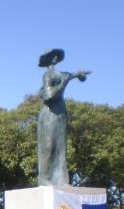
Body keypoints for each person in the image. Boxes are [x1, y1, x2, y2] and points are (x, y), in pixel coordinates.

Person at [37, 48, 91, 186]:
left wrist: (80, 75)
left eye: (56, 55)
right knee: (48, 146)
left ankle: (60, 179)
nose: (55, 57)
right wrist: (64, 83)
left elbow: (76, 76)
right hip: (49, 114)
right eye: (52, 55)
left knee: (61, 148)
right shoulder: (47, 75)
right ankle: (43, 178)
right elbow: (49, 96)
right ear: (48, 59)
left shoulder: (62, 74)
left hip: (60, 114)